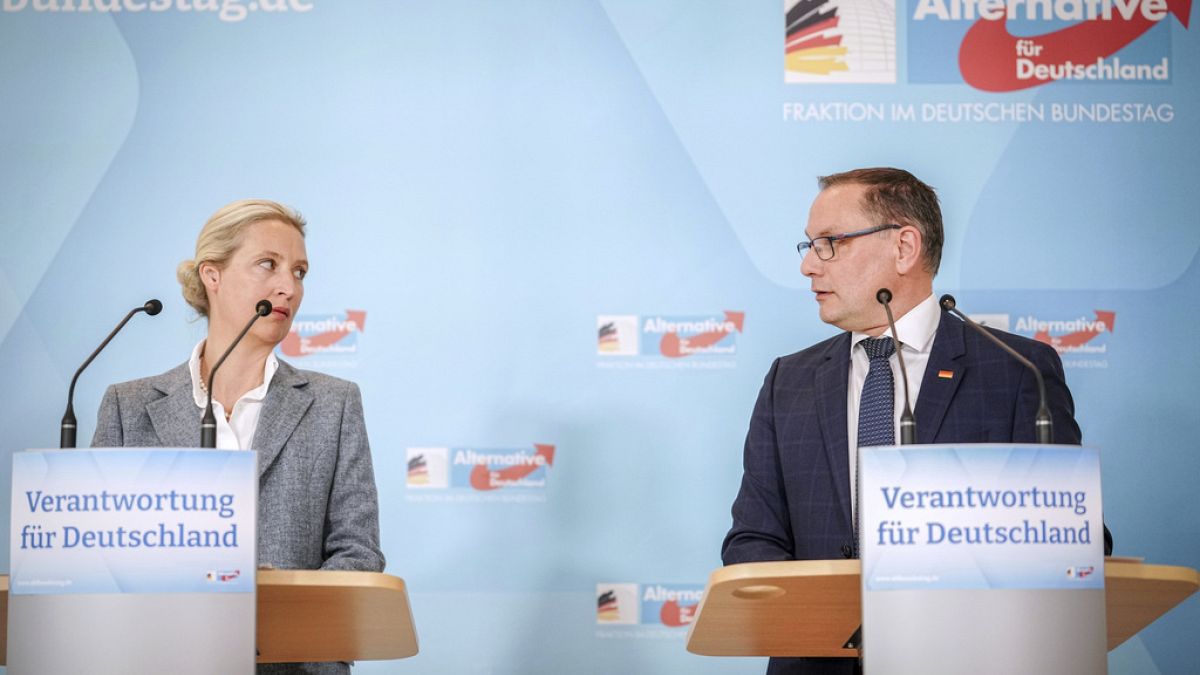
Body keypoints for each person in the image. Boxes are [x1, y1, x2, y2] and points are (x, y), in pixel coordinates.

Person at [720, 168, 1111, 675]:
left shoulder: (1018, 372)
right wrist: (828, 616)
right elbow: (753, 538)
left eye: (829, 243)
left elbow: (1076, 539)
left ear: (905, 247)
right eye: (809, 245)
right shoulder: (787, 381)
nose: (809, 267)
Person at [92, 199, 385, 675]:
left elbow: (358, 555)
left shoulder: (335, 404)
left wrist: (268, 607)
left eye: (300, 271)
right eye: (267, 264)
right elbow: (99, 557)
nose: (288, 287)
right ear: (213, 275)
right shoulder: (129, 407)